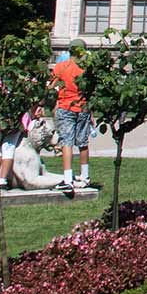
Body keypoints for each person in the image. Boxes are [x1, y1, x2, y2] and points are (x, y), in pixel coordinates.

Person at [50, 42, 91, 190]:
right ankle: (85, 176)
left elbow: (51, 86)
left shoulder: (61, 67)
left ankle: (68, 178)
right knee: (83, 142)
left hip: (65, 106)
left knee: (66, 142)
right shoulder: (86, 68)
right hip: (83, 107)